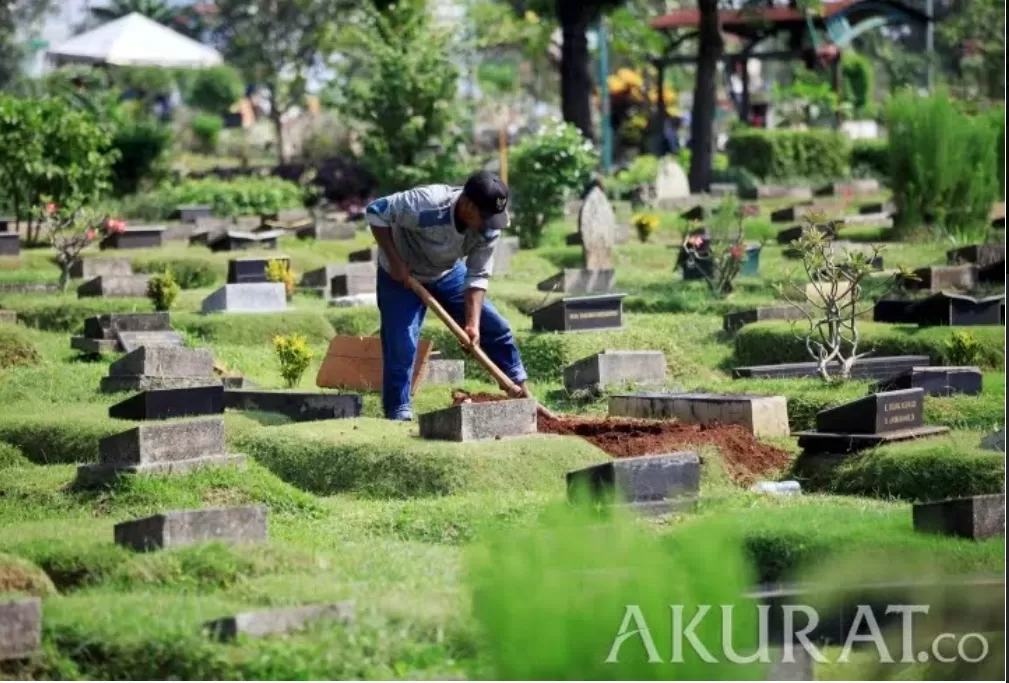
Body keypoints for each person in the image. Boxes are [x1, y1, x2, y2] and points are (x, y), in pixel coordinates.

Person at [364, 171, 530, 421]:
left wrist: (472, 324)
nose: (489, 224)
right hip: (401, 275)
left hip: (446, 272)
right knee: (401, 342)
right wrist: (396, 263)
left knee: (495, 327)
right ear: (467, 205)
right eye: (484, 217)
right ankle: (398, 411)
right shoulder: (426, 203)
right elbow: (376, 211)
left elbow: (477, 275)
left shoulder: (489, 228)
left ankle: (521, 392)